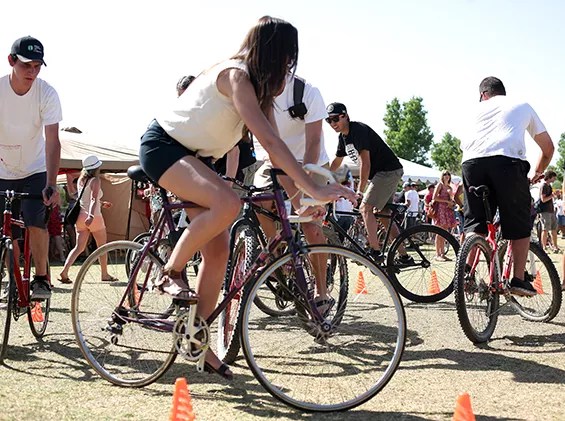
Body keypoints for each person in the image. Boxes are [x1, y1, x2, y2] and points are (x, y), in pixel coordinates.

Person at [138, 16, 354, 380]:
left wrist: (304, 195)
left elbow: (277, 148)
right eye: (287, 60)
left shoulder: (260, 92)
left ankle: (196, 340)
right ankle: (171, 272)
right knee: (229, 204)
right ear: (273, 56)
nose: (289, 69)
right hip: (164, 147)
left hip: (197, 157)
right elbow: (269, 141)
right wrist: (315, 188)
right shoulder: (236, 76)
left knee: (219, 249)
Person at [461, 76, 554, 297]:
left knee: (475, 223)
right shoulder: (521, 105)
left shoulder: (472, 111)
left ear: (483, 95)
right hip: (508, 163)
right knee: (519, 223)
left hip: (471, 164)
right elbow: (548, 148)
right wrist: (538, 172)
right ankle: (518, 280)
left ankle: (464, 271)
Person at [253, 73, 335, 312]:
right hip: (275, 159)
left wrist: (304, 185)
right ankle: (279, 256)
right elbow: (269, 146)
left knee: (311, 225)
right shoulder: (257, 92)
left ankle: (321, 291)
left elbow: (314, 143)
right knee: (258, 200)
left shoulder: (307, 92)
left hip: (311, 161)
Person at [0, 36, 61, 300]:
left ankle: (41, 278)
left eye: (37, 66)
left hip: (35, 168)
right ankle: (13, 280)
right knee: (6, 229)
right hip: (3, 168)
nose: (32, 72)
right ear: (11, 61)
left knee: (35, 220)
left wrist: (51, 183)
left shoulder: (46, 93)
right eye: (26, 65)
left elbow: (53, 141)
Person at [327, 102, 412, 264]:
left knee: (365, 208)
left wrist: (359, 191)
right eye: (329, 120)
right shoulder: (343, 138)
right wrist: (323, 177)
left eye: (335, 119)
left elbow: (365, 163)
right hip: (383, 174)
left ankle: (375, 252)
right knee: (384, 214)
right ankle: (404, 256)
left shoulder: (357, 130)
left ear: (345, 116)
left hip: (387, 171)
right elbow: (337, 161)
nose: (332, 123)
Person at [58, 156, 115, 283]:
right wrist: (91, 215)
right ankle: (104, 274)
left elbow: (85, 199)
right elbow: (93, 199)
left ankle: (64, 271)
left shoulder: (80, 180)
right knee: (102, 247)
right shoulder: (95, 180)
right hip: (94, 217)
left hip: (80, 217)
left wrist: (101, 203)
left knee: (79, 247)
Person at [431, 171, 458, 260]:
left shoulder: (449, 187)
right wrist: (446, 201)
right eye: (445, 174)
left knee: (444, 232)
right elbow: (434, 197)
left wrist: (452, 202)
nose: (447, 176)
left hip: (447, 210)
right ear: (442, 176)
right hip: (440, 210)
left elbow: (451, 199)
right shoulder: (440, 185)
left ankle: (442, 253)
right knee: (439, 232)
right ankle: (438, 254)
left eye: (448, 174)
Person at [538, 170, 560, 253]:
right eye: (554, 177)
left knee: (554, 229)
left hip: (551, 211)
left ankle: (555, 246)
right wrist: (552, 195)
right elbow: (543, 199)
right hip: (545, 211)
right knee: (545, 229)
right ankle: (544, 248)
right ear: (550, 177)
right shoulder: (544, 186)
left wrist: (553, 195)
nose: (555, 179)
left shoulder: (549, 186)